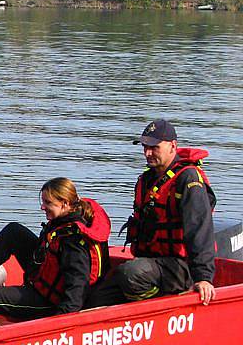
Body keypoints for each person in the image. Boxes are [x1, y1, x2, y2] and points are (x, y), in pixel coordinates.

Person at [0, 178, 110, 320]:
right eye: (43, 201)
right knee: (13, 232)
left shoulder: (73, 242)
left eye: (48, 203)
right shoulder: (65, 220)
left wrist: (58, 324)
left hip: (47, 302)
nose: (42, 207)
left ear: (65, 203)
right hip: (43, 274)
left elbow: (77, 290)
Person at [88, 119, 216, 307]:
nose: (147, 153)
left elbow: (199, 229)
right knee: (95, 299)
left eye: (154, 147)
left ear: (172, 146)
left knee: (131, 274)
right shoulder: (147, 180)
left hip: (181, 267)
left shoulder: (188, 179)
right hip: (152, 265)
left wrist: (204, 277)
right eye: (145, 147)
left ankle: (157, 306)